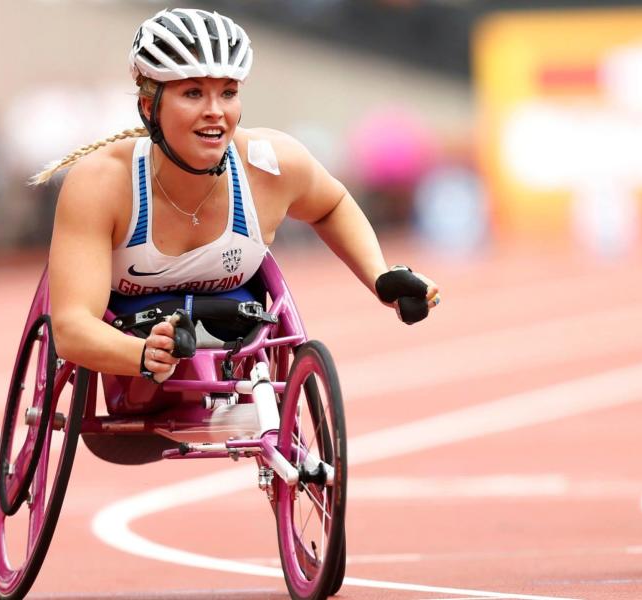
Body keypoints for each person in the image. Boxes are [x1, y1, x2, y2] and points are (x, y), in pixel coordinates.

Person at [32, 8, 440, 387]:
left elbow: (331, 204)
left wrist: (379, 276)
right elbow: (71, 327)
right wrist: (142, 353)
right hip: (132, 336)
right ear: (148, 106)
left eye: (227, 93)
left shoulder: (271, 164)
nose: (216, 111)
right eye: (193, 93)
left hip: (233, 322)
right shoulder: (101, 182)